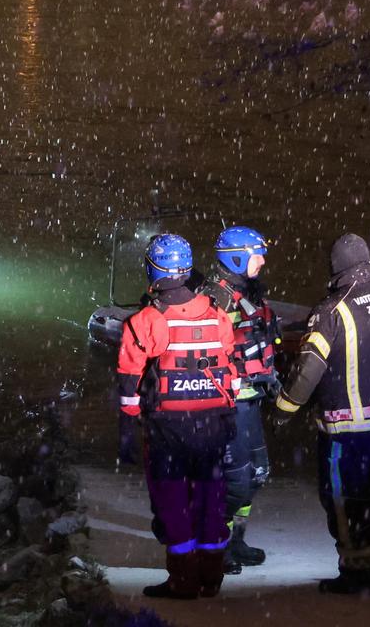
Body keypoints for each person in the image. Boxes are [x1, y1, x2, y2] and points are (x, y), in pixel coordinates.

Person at [273, 233, 370, 595]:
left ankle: (355, 572)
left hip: (347, 431)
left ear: (335, 268)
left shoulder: (331, 311)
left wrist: (282, 410)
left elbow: (308, 370)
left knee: (344, 499)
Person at [117, 233, 242, 600]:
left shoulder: (145, 322)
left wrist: (128, 428)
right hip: (214, 426)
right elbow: (231, 373)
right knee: (211, 499)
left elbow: (128, 384)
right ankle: (211, 576)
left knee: (172, 503)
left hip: (168, 430)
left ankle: (182, 581)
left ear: (152, 269)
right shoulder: (218, 316)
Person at [195, 225, 282, 574]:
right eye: (256, 254)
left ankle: (236, 539)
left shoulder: (249, 293)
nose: (262, 261)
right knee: (234, 481)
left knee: (258, 473)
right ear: (236, 257)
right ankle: (216, 545)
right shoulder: (215, 298)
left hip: (251, 399)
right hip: (227, 405)